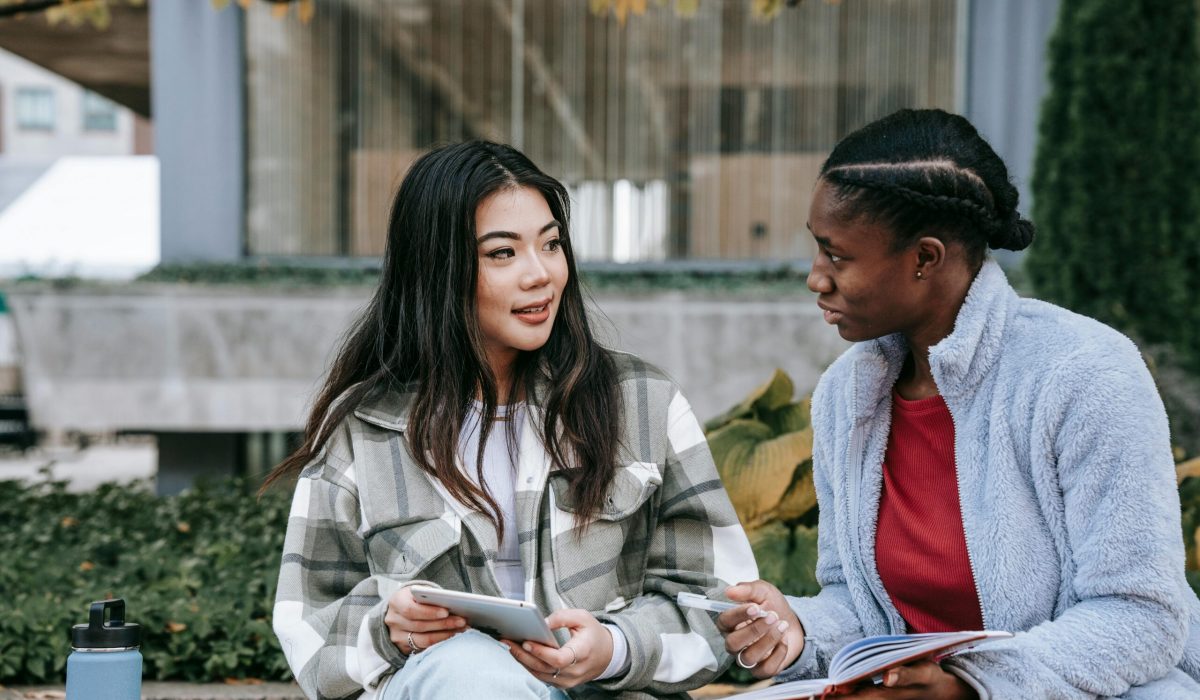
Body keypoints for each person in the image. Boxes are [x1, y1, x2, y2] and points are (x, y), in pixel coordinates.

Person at [715, 109, 1200, 698]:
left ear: (925, 258)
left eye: (836, 255)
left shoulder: (1084, 373)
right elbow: (859, 605)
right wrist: (797, 628)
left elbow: (1140, 617)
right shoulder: (848, 396)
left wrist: (969, 685)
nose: (816, 278)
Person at [264, 141, 760, 700]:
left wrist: (616, 647)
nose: (540, 275)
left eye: (551, 245)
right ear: (437, 269)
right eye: (502, 253)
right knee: (470, 670)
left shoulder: (643, 403)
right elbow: (307, 624)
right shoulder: (364, 427)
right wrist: (388, 629)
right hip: (449, 691)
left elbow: (719, 600)